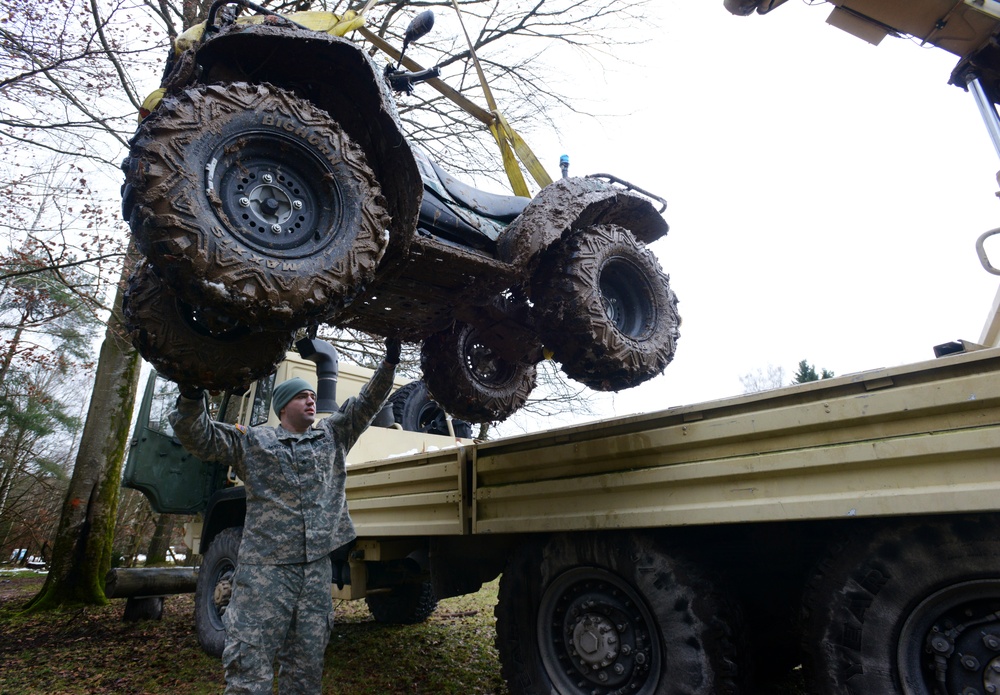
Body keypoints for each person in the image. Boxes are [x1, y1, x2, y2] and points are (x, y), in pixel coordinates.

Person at [169, 338, 402, 694]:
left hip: (315, 572)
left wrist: (388, 365)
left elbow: (366, 404)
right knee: (249, 663)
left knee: (306, 666)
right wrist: (190, 395)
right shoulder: (254, 442)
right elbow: (199, 436)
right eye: (302, 396)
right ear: (283, 407)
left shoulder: (333, 435)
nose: (312, 399)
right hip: (266, 574)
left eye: (313, 395)